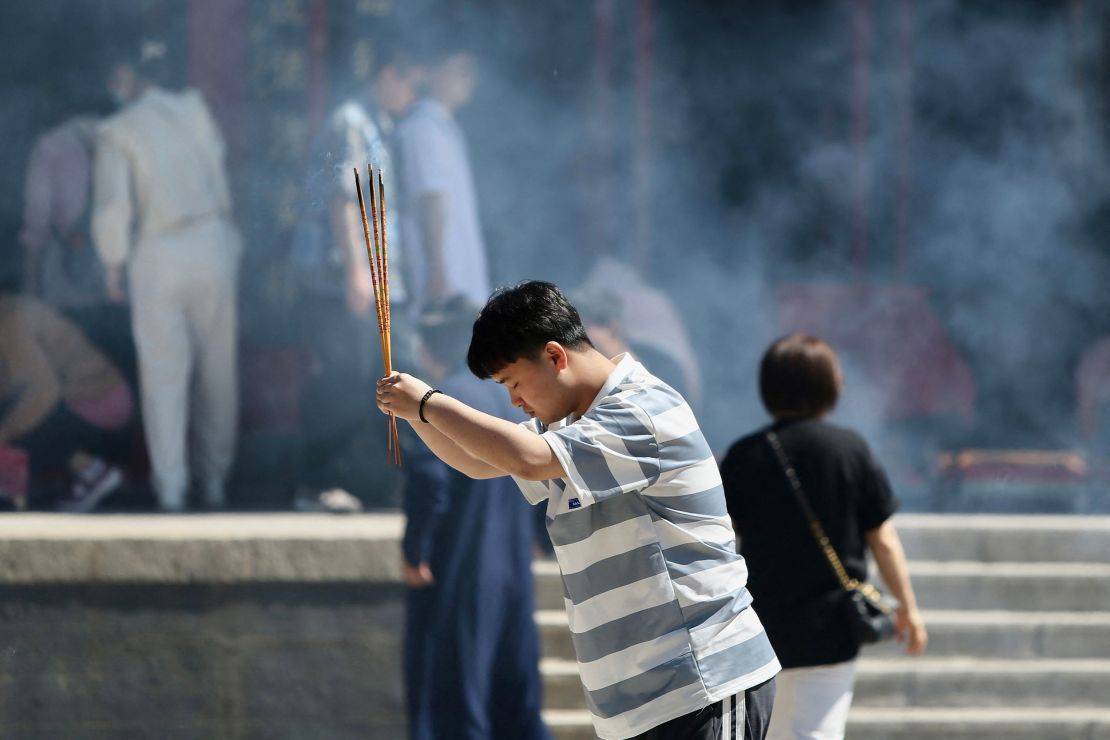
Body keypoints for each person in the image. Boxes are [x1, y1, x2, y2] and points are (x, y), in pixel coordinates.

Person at [377, 281, 779, 740]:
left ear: (554, 356)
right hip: (640, 704)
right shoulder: (571, 424)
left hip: (702, 683)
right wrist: (412, 414)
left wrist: (428, 403)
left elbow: (525, 458)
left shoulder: (640, 409)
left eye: (512, 383)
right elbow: (477, 461)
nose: (514, 401)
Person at [719, 334, 927, 740]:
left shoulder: (746, 454)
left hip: (762, 626)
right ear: (829, 387)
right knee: (818, 732)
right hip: (832, 627)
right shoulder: (850, 449)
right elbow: (882, 537)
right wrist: (908, 607)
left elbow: (722, 538)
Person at [92, 40, 242, 511]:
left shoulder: (117, 129)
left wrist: (112, 265)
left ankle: (171, 488)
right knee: (218, 370)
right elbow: (222, 184)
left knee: (164, 373)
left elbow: (114, 208)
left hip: (158, 250)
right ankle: (214, 479)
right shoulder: (196, 112)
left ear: (126, 76)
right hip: (212, 240)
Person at [401, 295, 549, 740]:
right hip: (512, 565)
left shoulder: (442, 406)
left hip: (460, 565)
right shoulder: (513, 402)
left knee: (454, 694)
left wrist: (415, 550)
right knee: (515, 696)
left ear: (428, 350)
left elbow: (431, 483)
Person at [289, 42, 421, 512]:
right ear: (387, 74)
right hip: (343, 282)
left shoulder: (380, 125)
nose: (412, 93)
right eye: (408, 81)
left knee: (389, 375)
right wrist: (355, 272)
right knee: (342, 378)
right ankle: (317, 481)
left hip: (381, 282)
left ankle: (383, 481)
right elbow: (345, 200)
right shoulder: (350, 120)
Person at [0, 294, 134, 511]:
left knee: (28, 422)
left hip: (100, 410)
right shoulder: (11, 310)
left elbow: (45, 391)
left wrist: (5, 432)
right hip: (95, 404)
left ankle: (92, 471)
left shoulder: (9, 323)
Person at [395, 42, 490, 313]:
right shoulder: (422, 128)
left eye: (471, 73)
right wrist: (437, 270)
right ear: (432, 73)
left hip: (459, 280)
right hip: (441, 283)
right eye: (460, 71)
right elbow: (430, 197)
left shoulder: (446, 128)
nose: (468, 80)